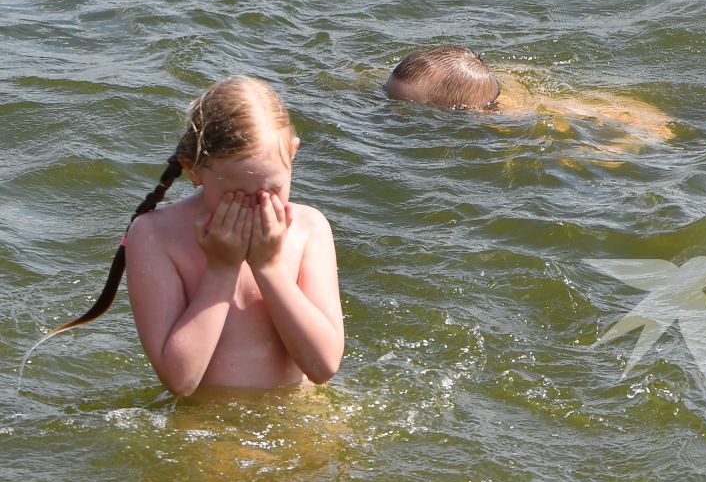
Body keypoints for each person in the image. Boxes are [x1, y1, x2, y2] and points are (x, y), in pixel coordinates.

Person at [50, 77, 344, 397]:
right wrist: (221, 270)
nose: (254, 205)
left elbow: (322, 367)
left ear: (293, 154)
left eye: (271, 190)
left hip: (298, 414)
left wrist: (269, 267)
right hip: (206, 426)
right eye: (235, 194)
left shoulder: (309, 228)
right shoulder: (154, 236)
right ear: (193, 170)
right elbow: (181, 382)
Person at [383, 45, 673, 144]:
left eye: (406, 106)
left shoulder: (509, 123)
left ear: (462, 111)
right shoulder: (493, 90)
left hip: (648, 130)